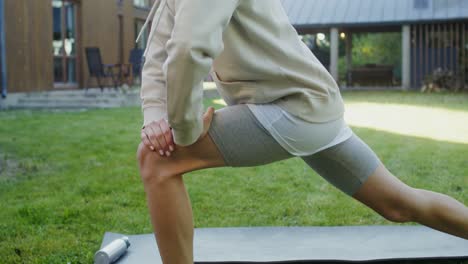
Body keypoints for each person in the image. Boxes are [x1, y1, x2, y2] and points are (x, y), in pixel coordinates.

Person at [135, 0, 468, 263]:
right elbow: (159, 55)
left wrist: (184, 130)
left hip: (294, 107)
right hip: (311, 107)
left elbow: (189, 49)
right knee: (398, 204)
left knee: (157, 161)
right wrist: (154, 116)